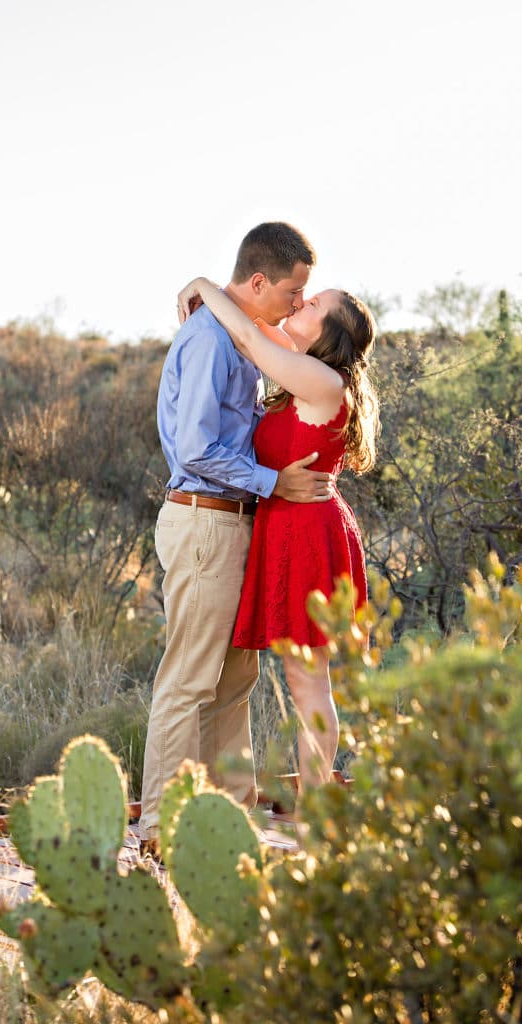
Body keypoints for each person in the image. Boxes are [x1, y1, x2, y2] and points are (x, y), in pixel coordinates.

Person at [140, 223, 335, 851]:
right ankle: (160, 829)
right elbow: (197, 448)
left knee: (234, 683)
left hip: (236, 522)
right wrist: (272, 481)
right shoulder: (210, 342)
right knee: (190, 682)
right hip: (206, 519)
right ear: (259, 282)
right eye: (291, 292)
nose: (295, 305)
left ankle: (230, 819)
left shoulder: (238, 338)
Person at [176, 277, 380, 804]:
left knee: (308, 682)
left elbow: (247, 334)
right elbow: (252, 327)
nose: (300, 304)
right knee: (301, 678)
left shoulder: (324, 382)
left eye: (312, 304)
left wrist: (202, 284)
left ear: (329, 333)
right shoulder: (303, 368)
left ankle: (317, 812)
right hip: (285, 526)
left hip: (308, 533)